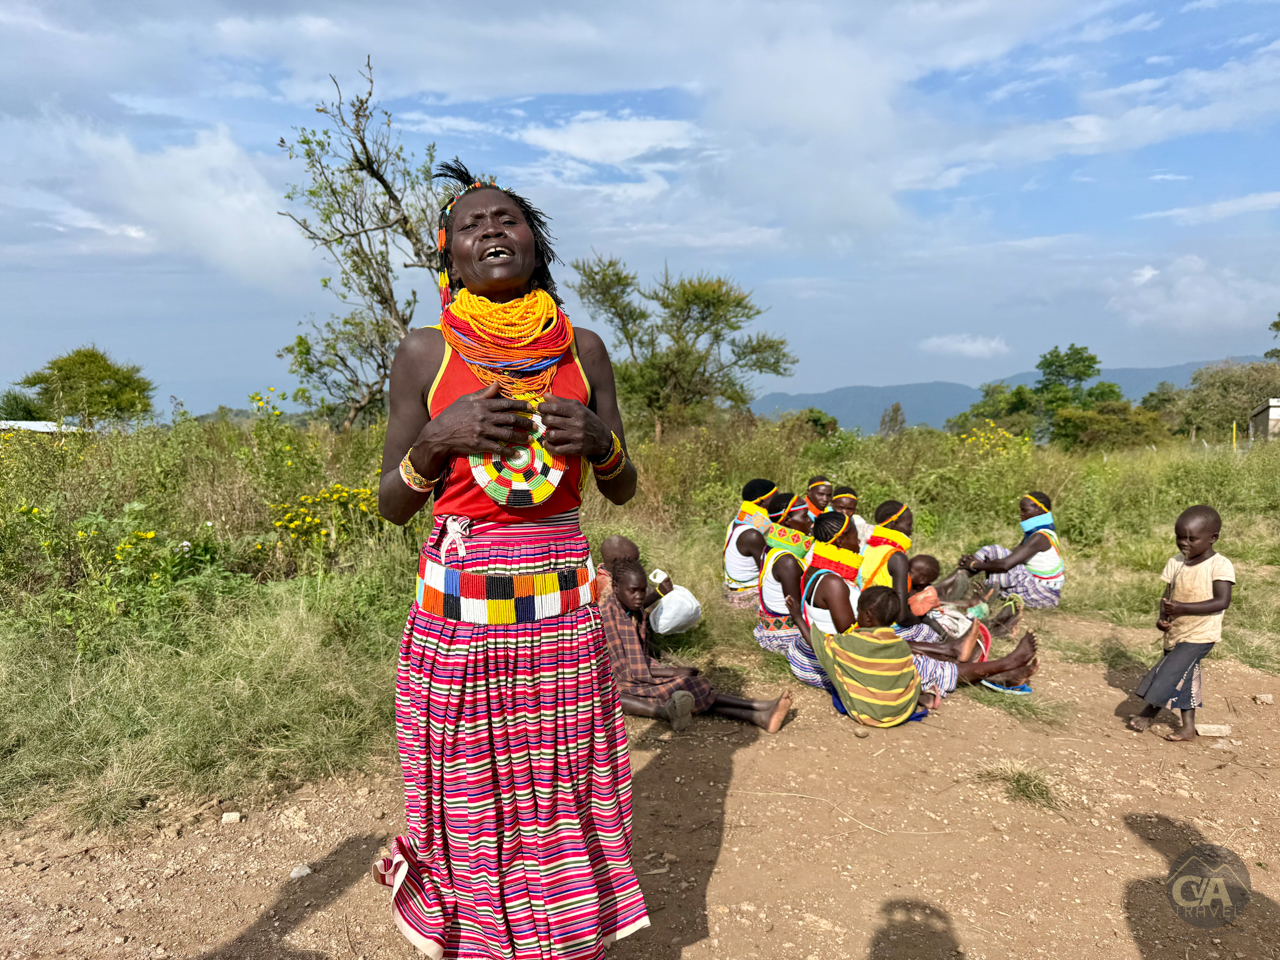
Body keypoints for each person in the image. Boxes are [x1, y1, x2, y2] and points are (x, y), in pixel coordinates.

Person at [374, 160, 648, 957]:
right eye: (472, 224)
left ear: (536, 244)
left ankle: (561, 936)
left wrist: (601, 444)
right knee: (472, 788)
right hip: (463, 621)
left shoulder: (584, 351)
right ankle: (480, 939)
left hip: (561, 617)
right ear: (450, 258)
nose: (492, 229)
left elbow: (622, 487)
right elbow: (391, 503)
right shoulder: (424, 354)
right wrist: (437, 440)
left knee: (564, 782)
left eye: (509, 219)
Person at [787, 587, 1040, 721]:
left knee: (927, 668)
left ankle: (1005, 666)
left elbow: (815, 642)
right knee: (929, 668)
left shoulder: (845, 644)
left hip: (865, 714)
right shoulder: (898, 646)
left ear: (867, 616)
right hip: (900, 710)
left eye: (858, 612)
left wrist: (797, 616)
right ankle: (1004, 666)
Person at [602, 559, 793, 733]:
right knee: (687, 685)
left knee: (689, 687)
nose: (639, 596)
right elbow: (630, 670)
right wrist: (673, 671)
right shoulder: (608, 617)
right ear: (616, 587)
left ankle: (759, 713)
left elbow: (638, 651)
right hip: (619, 682)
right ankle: (756, 709)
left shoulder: (630, 610)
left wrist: (670, 664)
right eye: (633, 591)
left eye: (643, 591)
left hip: (637, 674)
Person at [1127, 505, 1235, 742]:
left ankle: (1149, 712)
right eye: (1179, 537)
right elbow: (1167, 597)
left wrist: (1183, 608)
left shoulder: (1219, 565)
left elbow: (1222, 601)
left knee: (1169, 671)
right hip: (1177, 632)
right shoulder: (1176, 563)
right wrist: (1163, 619)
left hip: (1202, 635)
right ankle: (1188, 728)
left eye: (1192, 539)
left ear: (1213, 538)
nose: (1184, 543)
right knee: (1185, 676)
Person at [753, 492, 830, 691]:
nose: (810, 521)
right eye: (804, 516)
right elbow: (799, 610)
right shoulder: (787, 560)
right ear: (788, 520)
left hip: (771, 627)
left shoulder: (773, 548)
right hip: (785, 634)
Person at [960, 492, 1064, 610]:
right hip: (1036, 586)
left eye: (1025, 510)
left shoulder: (1040, 537)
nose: (1021, 514)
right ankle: (958, 580)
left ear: (1039, 511)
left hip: (1042, 594)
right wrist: (975, 562)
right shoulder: (1035, 534)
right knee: (993, 553)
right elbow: (1011, 557)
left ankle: (976, 595)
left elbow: (1005, 565)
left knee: (995, 555)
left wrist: (974, 565)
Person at [723, 478, 776, 605]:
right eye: (775, 499)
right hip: (746, 597)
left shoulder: (736, 523)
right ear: (762, 502)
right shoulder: (752, 535)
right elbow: (769, 574)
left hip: (733, 590)